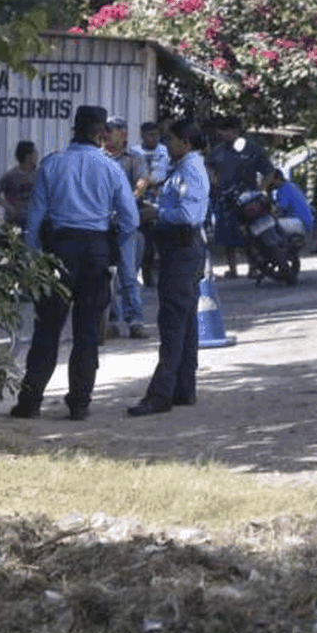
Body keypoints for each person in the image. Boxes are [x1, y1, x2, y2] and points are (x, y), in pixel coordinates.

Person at [10, 105, 140, 422]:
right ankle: (79, 404)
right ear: (102, 134)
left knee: (47, 329)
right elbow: (130, 220)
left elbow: (35, 220)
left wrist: (31, 260)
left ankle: (30, 401)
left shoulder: (51, 164)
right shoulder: (112, 170)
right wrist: (118, 252)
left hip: (59, 252)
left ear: (74, 130)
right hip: (95, 253)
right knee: (87, 331)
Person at [128, 119, 211, 417]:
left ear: (185, 143)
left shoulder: (190, 169)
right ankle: (183, 388)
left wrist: (155, 212)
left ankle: (160, 394)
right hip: (181, 249)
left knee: (173, 323)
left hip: (182, 249)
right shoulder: (181, 167)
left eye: (171, 141)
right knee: (185, 322)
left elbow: (187, 214)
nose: (166, 145)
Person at [205, 115, 274, 279]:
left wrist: (262, 190)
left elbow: (269, 171)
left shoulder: (251, 148)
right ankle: (232, 269)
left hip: (248, 198)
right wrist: (213, 178)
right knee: (227, 234)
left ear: (235, 131)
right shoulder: (219, 150)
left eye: (225, 131)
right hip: (225, 198)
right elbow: (208, 165)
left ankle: (254, 266)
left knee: (253, 232)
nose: (221, 134)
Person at [102, 116, 147, 339]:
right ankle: (110, 320)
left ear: (124, 134)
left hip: (126, 225)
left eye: (112, 130)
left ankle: (135, 321)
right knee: (103, 274)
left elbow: (142, 182)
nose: (107, 133)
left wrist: (131, 198)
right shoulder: (98, 157)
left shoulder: (134, 158)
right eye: (106, 130)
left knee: (128, 274)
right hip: (100, 224)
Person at [133, 121, 170, 285]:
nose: (154, 138)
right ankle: (147, 275)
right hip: (142, 197)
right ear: (142, 135)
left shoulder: (165, 151)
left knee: (164, 239)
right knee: (147, 239)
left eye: (156, 134)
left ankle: (165, 275)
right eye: (150, 135)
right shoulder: (135, 152)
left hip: (163, 196)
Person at [0, 140, 39, 226]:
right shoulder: (11, 176)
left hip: (33, 224)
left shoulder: (39, 175)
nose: (37, 156)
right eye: (34, 153)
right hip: (13, 225)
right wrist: (7, 206)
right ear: (28, 156)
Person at [262, 169, 314, 234]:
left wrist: (267, 192)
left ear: (276, 179)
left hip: (302, 223)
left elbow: (279, 209)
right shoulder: (292, 184)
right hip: (310, 219)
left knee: (272, 224)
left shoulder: (282, 190)